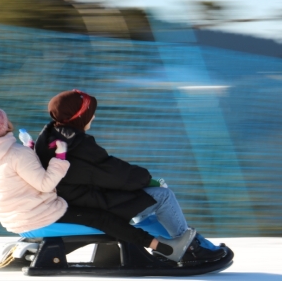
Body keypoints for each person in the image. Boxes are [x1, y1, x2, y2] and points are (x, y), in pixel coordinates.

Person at [0, 106, 196, 262]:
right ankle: (165, 248)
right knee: (105, 219)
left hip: (14, 218)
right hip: (40, 214)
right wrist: (60, 158)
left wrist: (30, 150)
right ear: (5, 125)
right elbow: (45, 184)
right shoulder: (16, 153)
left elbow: (16, 179)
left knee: (96, 216)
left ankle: (162, 245)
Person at [34, 90, 226, 262]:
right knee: (162, 196)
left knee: (145, 200)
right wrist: (147, 179)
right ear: (81, 115)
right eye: (91, 112)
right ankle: (190, 249)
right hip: (89, 202)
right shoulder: (78, 145)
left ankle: (177, 243)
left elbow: (101, 174)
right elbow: (115, 174)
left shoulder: (50, 138)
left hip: (73, 198)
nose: (94, 116)